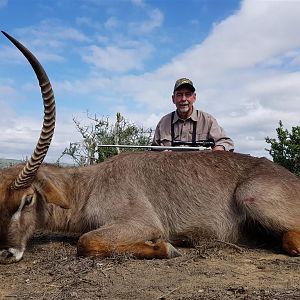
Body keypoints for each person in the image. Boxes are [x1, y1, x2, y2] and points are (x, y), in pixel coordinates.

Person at [152, 78, 234, 151]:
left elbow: (225, 142)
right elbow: (154, 149)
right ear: (173, 99)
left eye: (188, 94)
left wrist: (219, 148)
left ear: (194, 97)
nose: (183, 99)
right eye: (179, 95)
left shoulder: (208, 120)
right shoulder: (163, 122)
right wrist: (160, 154)